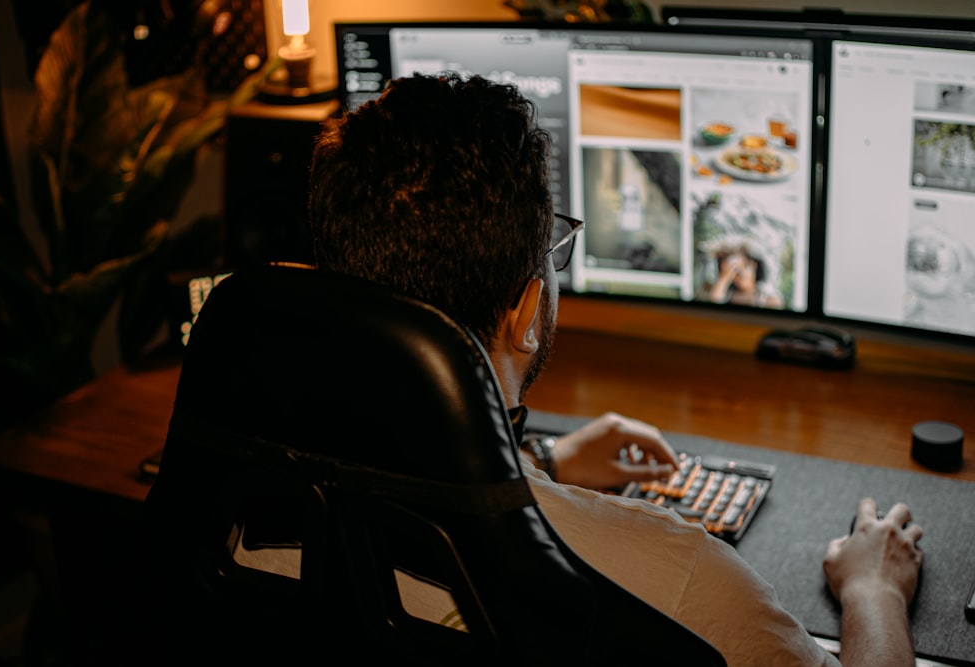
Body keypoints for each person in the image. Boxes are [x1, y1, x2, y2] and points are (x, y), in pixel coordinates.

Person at [307, 73, 923, 667]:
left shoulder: (249, 501)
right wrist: (875, 591)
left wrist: (541, 464)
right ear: (526, 313)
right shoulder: (678, 577)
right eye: (554, 250)